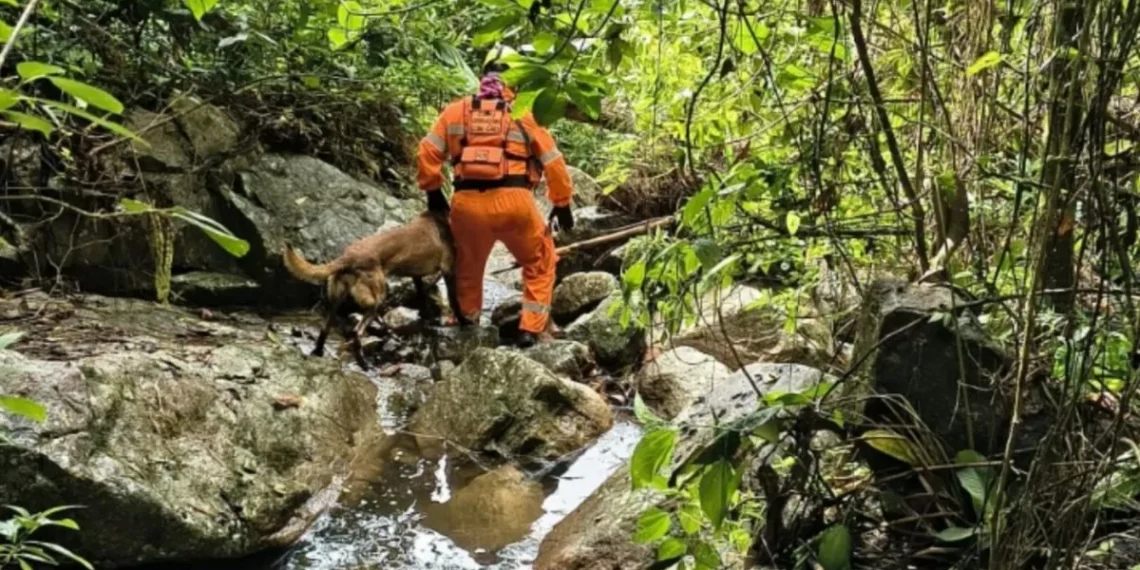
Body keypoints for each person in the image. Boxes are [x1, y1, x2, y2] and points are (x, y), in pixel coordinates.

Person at [416, 48, 575, 348]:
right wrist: (562, 202)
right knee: (540, 261)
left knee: (467, 265)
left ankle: (467, 320)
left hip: (467, 206)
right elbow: (554, 162)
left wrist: (433, 191)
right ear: (515, 79)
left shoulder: (455, 112)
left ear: (482, 74)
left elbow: (427, 151)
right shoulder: (524, 115)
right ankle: (530, 330)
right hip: (516, 204)